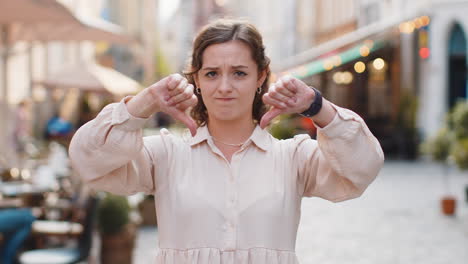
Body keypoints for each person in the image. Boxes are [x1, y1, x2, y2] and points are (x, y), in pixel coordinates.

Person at [69, 19, 384, 263]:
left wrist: (318, 107)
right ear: (196, 80)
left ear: (261, 77)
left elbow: (362, 170)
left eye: (239, 73)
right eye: (211, 74)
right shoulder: (165, 154)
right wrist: (145, 102)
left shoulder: (293, 158)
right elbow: (87, 161)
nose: (224, 86)